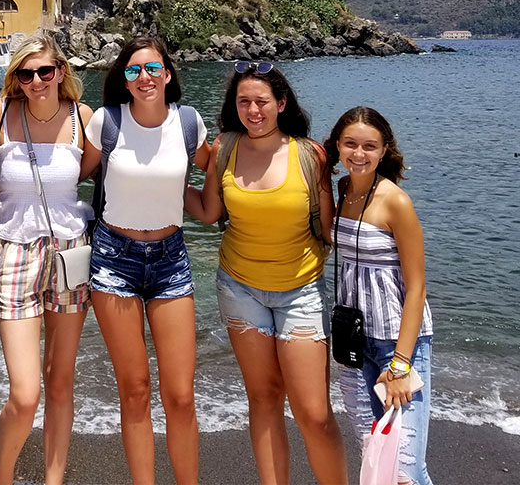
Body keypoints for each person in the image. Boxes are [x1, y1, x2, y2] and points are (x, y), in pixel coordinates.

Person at [199, 61, 346, 485]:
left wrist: (382, 213)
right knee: (263, 399)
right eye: (243, 101)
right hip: (239, 289)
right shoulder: (224, 147)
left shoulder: (310, 155)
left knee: (314, 414)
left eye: (261, 101)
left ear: (281, 103)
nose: (253, 110)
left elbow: (331, 229)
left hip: (301, 291)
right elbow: (208, 212)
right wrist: (150, 189)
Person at [78, 36, 215, 485]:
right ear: (124, 79)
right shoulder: (107, 122)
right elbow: (75, 172)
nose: (145, 77)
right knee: (135, 391)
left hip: (171, 258)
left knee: (181, 396)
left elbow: (218, 167)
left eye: (153, 68)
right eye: (134, 70)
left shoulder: (189, 122)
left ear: (168, 74)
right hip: (113, 259)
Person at [0, 36, 94, 485]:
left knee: (60, 382)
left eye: (45, 71)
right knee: (26, 393)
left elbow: (89, 174)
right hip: (13, 252)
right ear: (15, 78)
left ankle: (53, 480)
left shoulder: (83, 118)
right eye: (25, 74)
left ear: (61, 71)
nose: (36, 81)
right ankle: (3, 475)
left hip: (70, 253)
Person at [325, 107, 434, 485]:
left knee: (405, 470)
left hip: (397, 345)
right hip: (354, 341)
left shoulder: (395, 201)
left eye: (369, 146)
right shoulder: (342, 190)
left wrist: (401, 364)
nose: (359, 154)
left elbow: (417, 286)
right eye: (350, 144)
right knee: (376, 455)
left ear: (384, 149)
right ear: (338, 146)